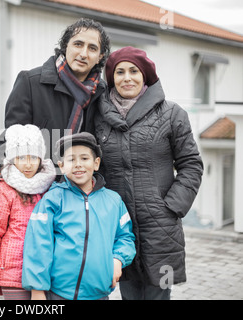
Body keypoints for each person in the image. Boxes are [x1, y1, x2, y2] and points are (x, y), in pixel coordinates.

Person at [94, 46, 204, 300]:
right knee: (129, 293)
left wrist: (171, 206)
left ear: (145, 76)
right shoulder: (98, 117)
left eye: (134, 70)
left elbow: (191, 164)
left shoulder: (172, 114)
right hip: (118, 227)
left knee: (159, 293)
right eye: (119, 72)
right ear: (111, 78)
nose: (127, 77)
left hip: (160, 226)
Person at [0, 18, 111, 178]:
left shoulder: (103, 94)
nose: (83, 53)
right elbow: (11, 143)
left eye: (92, 48)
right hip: (37, 189)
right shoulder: (30, 82)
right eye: (78, 44)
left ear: (100, 56)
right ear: (66, 46)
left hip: (81, 192)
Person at [21, 132, 136, 300]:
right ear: (61, 166)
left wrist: (118, 259)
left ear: (96, 163)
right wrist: (37, 290)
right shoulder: (52, 200)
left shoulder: (114, 201)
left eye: (84, 158)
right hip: (58, 293)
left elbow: (125, 237)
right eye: (71, 160)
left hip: (99, 294)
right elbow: (38, 245)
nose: (78, 165)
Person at [0, 124, 56, 300]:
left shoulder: (50, 188)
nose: (28, 163)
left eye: (33, 157)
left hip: (44, 274)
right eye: (21, 157)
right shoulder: (2, 190)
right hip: (12, 275)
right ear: (11, 159)